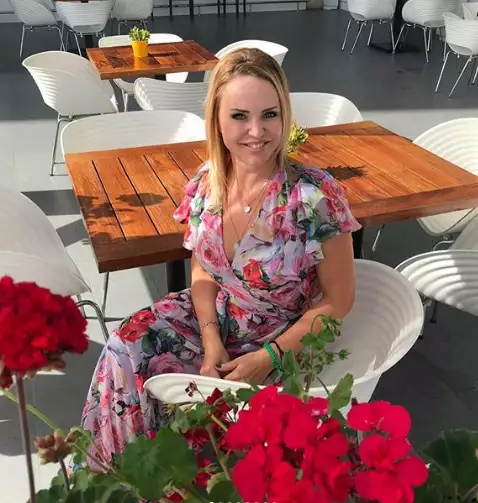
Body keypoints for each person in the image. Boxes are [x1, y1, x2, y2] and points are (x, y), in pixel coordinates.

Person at [80, 47, 361, 464]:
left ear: (285, 116)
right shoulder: (207, 184)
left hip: (279, 339)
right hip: (213, 319)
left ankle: (172, 474)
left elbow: (339, 301)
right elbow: (203, 268)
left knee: (203, 423)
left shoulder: (313, 196)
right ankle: (115, 473)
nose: (256, 132)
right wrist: (210, 338)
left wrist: (270, 356)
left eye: (269, 115)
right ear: (216, 119)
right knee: (125, 345)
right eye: (239, 116)